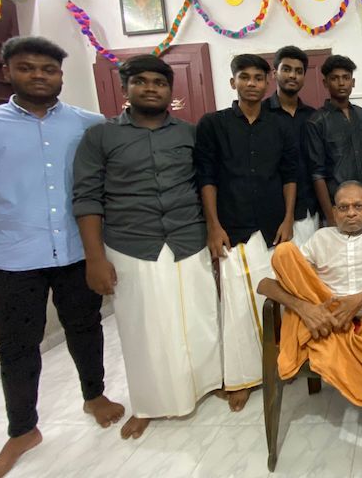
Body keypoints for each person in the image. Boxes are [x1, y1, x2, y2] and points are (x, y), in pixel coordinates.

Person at [74, 54, 222, 439]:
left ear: (170, 90)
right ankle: (148, 404)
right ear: (125, 88)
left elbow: (206, 184)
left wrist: (213, 230)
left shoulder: (189, 133)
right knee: (142, 328)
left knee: (199, 317)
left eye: (159, 82)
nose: (151, 88)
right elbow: (87, 198)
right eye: (141, 81)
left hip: (188, 237)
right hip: (132, 243)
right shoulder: (100, 136)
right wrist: (94, 258)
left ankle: (207, 384)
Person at [0, 37, 124, 477]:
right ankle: (22, 429)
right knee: (16, 346)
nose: (38, 76)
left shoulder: (89, 124)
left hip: (76, 250)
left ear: (60, 75)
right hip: (12, 256)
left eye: (48, 69)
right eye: (26, 67)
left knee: (85, 328)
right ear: (8, 72)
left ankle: (94, 395)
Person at [257, 181, 362, 478]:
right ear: (333, 211)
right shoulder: (321, 238)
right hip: (324, 321)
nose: (351, 213)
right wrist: (305, 308)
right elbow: (265, 284)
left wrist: (358, 300)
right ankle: (321, 328)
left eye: (358, 206)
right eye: (343, 207)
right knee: (284, 254)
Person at [194, 53, 298, 411]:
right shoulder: (213, 124)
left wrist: (288, 219)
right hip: (232, 225)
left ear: (268, 82)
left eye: (258, 77)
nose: (252, 83)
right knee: (237, 303)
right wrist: (213, 226)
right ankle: (242, 377)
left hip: (272, 225)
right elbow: (206, 177)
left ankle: (283, 361)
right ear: (233, 82)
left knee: (278, 298)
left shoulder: (280, 125)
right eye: (245, 77)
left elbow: (289, 175)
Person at [305, 55, 362, 225]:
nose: (341, 83)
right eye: (335, 78)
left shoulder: (361, 114)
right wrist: (331, 215)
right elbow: (317, 174)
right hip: (339, 206)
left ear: (353, 82)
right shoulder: (316, 121)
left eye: (346, 77)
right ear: (325, 83)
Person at [262, 45, 320, 244]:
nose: (293, 75)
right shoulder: (261, 114)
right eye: (286, 69)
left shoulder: (313, 116)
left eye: (298, 71)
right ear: (274, 73)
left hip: (310, 210)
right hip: (273, 212)